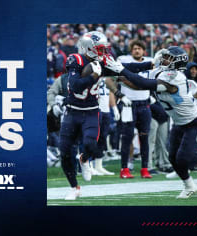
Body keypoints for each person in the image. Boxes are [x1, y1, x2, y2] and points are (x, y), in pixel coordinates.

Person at [103, 46, 197, 198]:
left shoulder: (174, 79)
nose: (164, 59)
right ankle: (190, 186)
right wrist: (116, 74)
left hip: (194, 122)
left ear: (176, 62)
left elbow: (144, 84)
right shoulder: (161, 72)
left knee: (187, 161)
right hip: (178, 123)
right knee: (173, 159)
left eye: (168, 58)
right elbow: (137, 83)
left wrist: (121, 70)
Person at [60, 31, 152, 200]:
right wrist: (94, 76)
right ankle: (74, 187)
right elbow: (75, 86)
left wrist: (150, 65)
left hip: (90, 111)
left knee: (90, 145)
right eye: (101, 49)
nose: (105, 53)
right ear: (89, 47)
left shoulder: (102, 62)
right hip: (72, 111)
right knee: (64, 152)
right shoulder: (76, 59)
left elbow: (129, 69)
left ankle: (84, 158)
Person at [116, 40, 153, 179]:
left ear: (144, 50)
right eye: (134, 49)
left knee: (144, 137)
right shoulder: (123, 60)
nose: (137, 51)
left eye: (139, 48)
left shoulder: (150, 61)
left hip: (145, 104)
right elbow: (118, 77)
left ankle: (145, 168)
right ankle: (124, 168)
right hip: (128, 104)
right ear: (131, 51)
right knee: (127, 138)